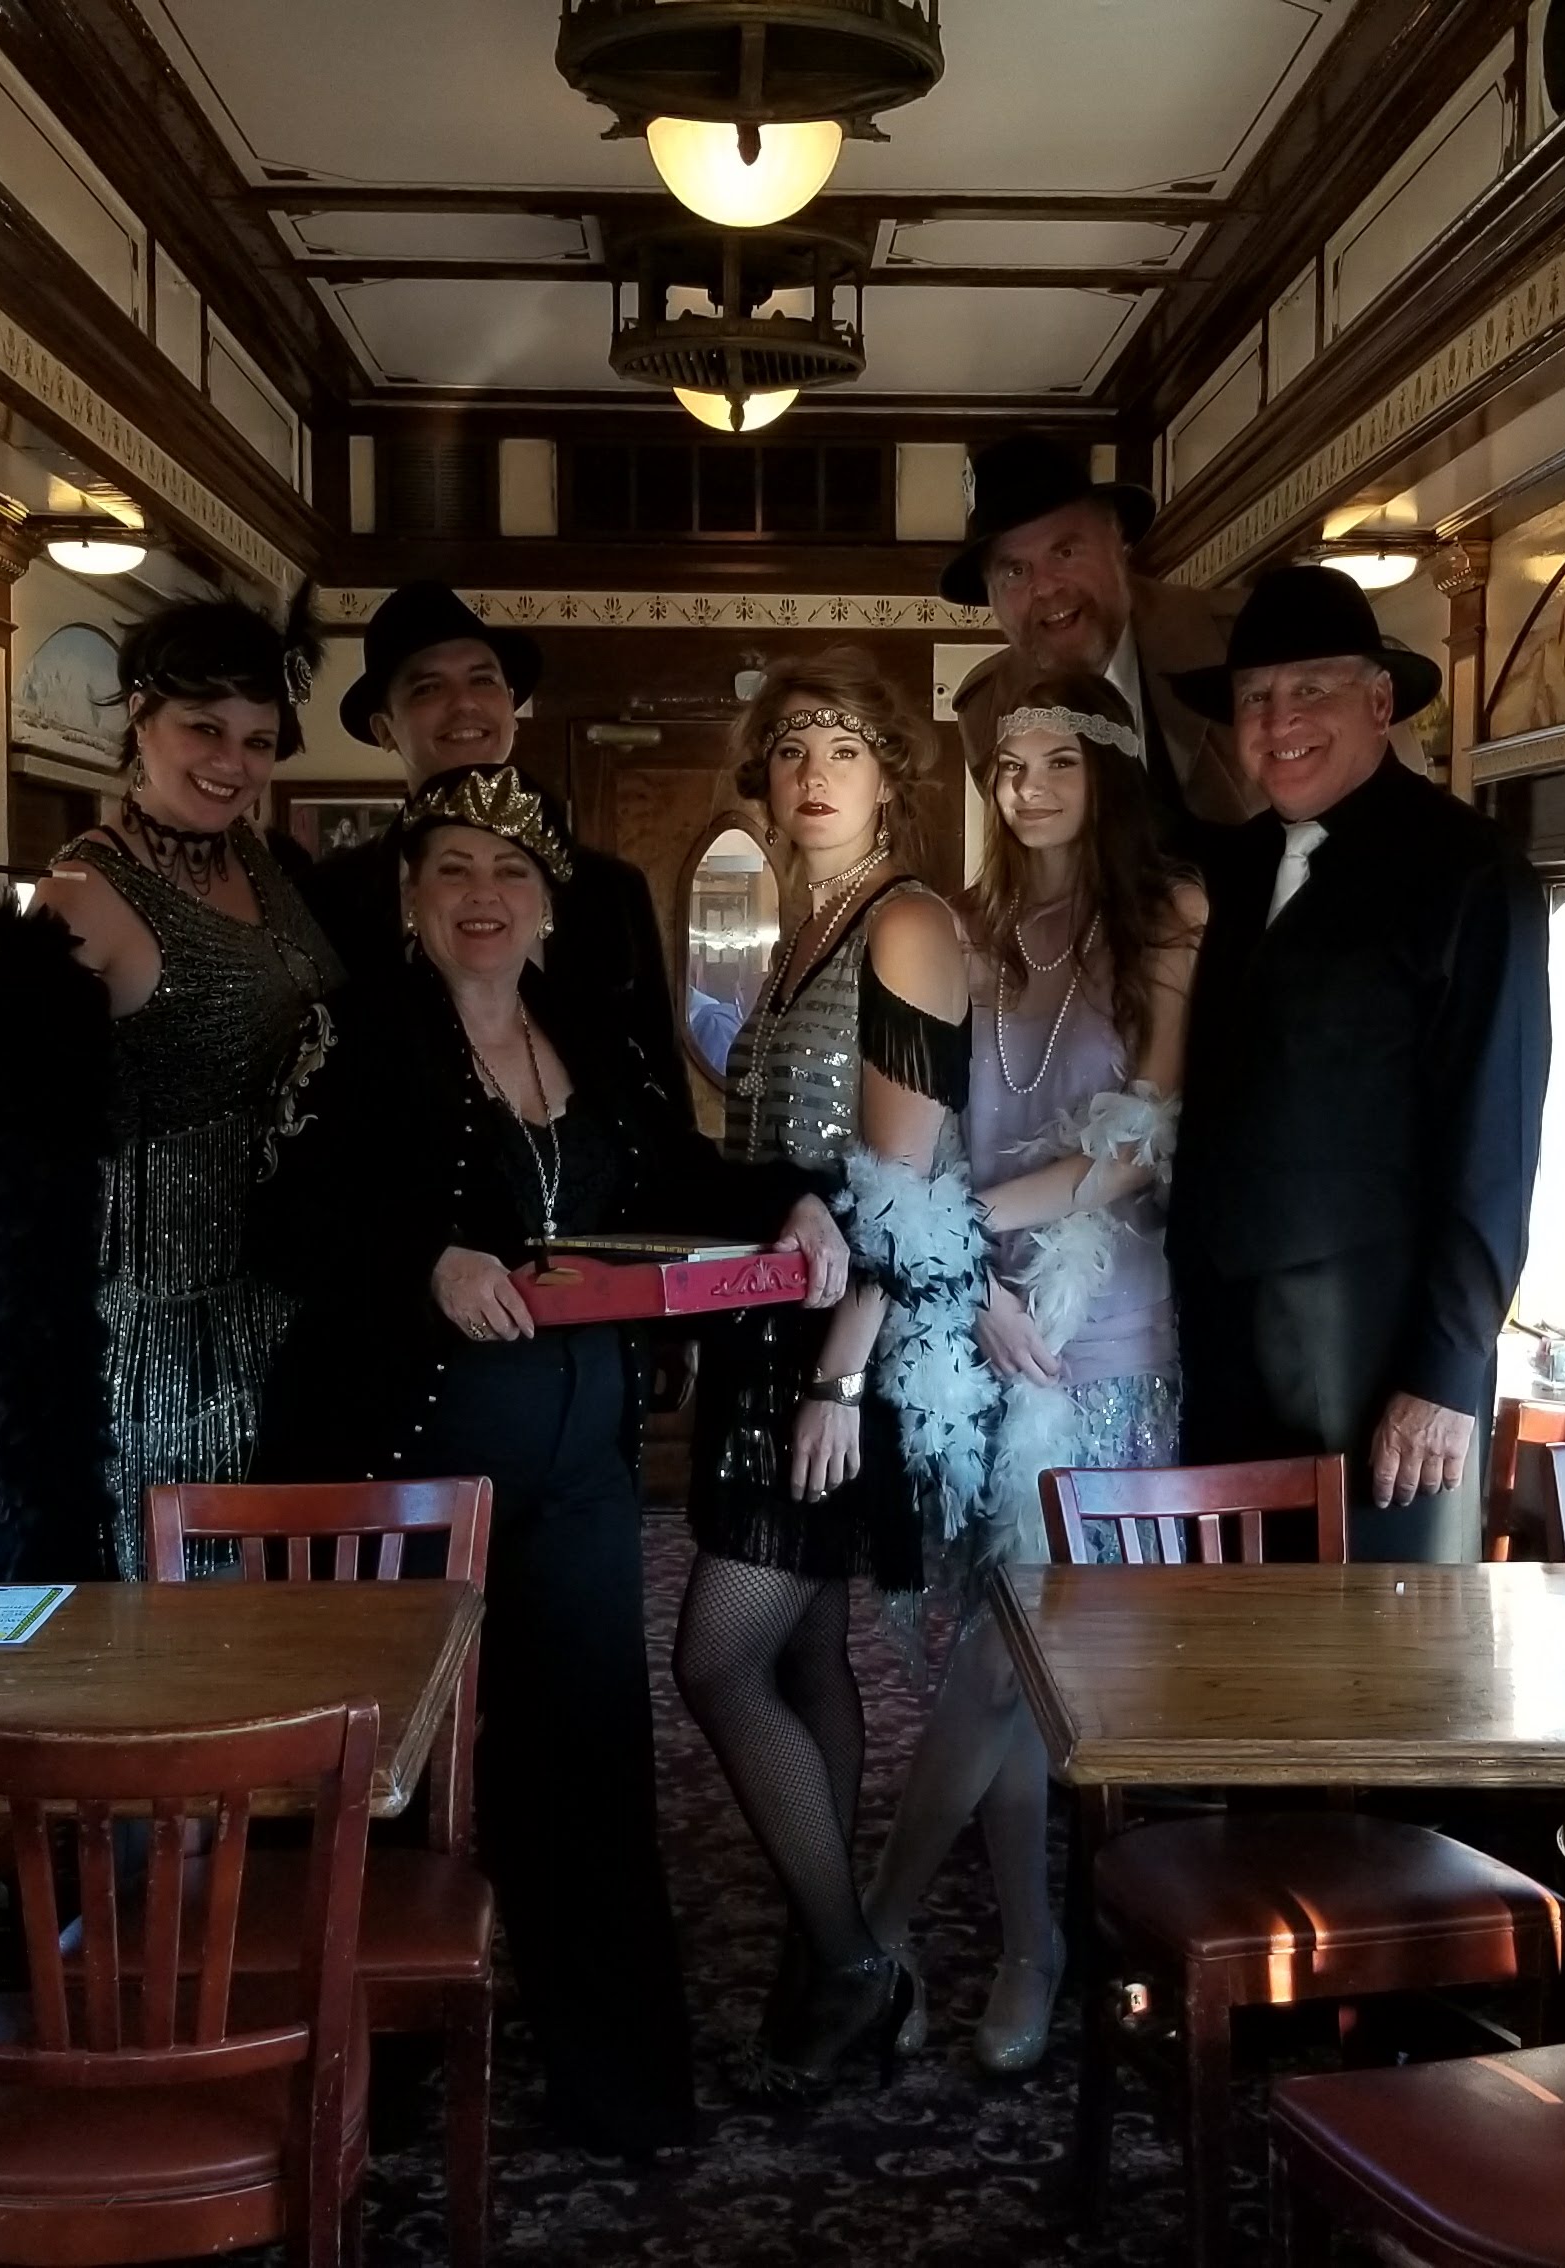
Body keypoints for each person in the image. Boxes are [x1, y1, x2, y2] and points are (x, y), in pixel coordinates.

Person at [258, 767, 846, 2155]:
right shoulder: (350, 1033)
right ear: (411, 898)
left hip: (580, 1466)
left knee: (586, 1761)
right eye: (453, 869)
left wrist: (794, 1201)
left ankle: (618, 2085)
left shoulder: (594, 1033)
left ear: (549, 908)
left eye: (510, 873)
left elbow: (675, 1178)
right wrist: (428, 1261)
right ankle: (371, 2078)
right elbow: (282, 1223)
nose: (484, 895)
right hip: (398, 1466)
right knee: (384, 1771)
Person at [0, 591, 340, 1580]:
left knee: (292, 1607)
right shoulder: (87, 890)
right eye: (204, 728)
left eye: (257, 740)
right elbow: (21, 1080)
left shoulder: (259, 858)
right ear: (140, 719)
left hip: (274, 1299)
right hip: (159, 1332)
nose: (234, 763)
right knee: (189, 1612)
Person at [861, 671, 1203, 2075]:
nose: (1029, 787)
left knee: (1013, 1667)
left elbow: (1140, 1142)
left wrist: (964, 1228)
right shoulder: (962, 930)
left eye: (1059, 760)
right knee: (986, 1660)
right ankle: (1026, 1940)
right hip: (975, 1327)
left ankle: (874, 1933)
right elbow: (918, 1134)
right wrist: (964, 1270)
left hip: (1103, 1329)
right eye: (1009, 765)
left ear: (1108, 769)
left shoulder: (1168, 920)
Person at [677, 648, 989, 2094]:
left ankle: (858, 1965)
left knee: (714, 1656)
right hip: (769, 1328)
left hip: (841, 1343)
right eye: (793, 747)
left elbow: (903, 1182)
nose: (814, 773)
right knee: (802, 1653)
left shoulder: (906, 920)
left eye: (846, 747)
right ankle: (827, 1944)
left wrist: (840, 1378)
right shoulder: (803, 926)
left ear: (889, 778)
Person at [1169, 564, 1548, 1565]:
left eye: (1311, 690)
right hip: (1221, 1358)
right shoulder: (1229, 871)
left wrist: (1445, 1371)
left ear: (1380, 702)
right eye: (1255, 697)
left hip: (1381, 1368)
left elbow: (1496, 1139)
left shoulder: (1470, 873)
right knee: (1223, 1636)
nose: (1279, 720)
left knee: (1377, 1645)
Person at [300, 582, 684, 1120]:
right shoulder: (330, 898)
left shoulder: (609, 891)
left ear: (511, 706)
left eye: (483, 680)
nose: (464, 704)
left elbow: (664, 1091)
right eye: (428, 688)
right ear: (385, 729)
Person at [942, 435, 1260, 842]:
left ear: (1117, 541)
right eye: (1015, 572)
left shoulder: (1240, 642)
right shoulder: (986, 708)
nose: (1046, 587)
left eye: (1065, 553)